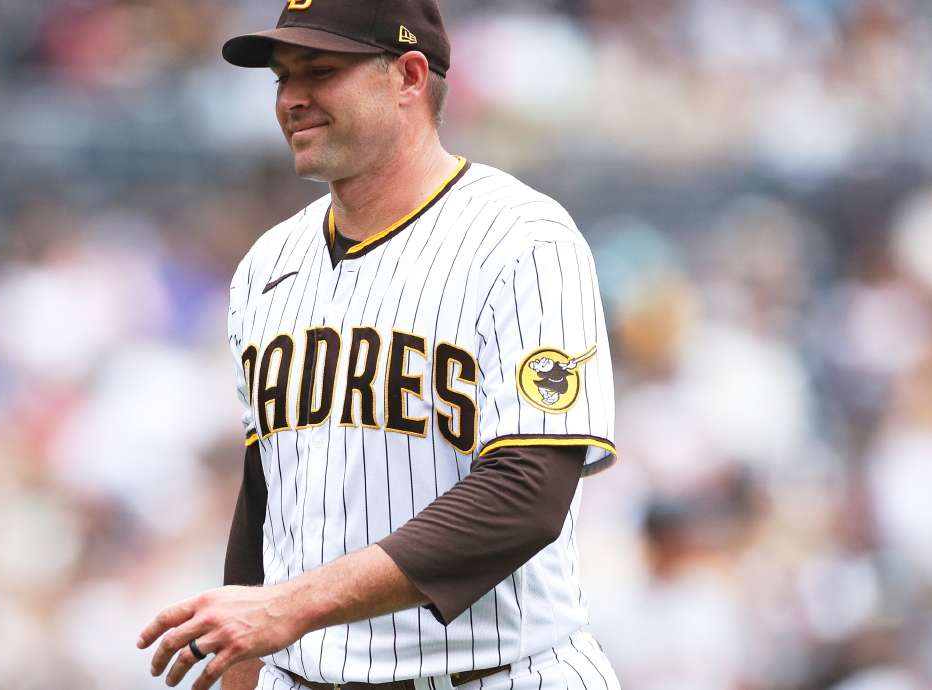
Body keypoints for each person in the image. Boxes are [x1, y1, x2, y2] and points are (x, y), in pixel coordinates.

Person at [138, 2, 621, 689]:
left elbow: (527, 495)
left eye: (321, 70)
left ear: (410, 77)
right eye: (282, 77)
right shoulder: (268, 265)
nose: (292, 99)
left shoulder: (523, 240)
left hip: (494, 673)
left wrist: (291, 606)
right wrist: (245, 652)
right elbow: (267, 493)